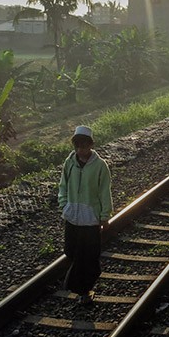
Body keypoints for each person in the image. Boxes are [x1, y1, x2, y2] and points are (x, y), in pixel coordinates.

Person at [58, 125, 113, 304]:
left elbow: (105, 191)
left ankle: (85, 290)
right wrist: (64, 205)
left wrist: (105, 215)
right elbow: (63, 185)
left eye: (85, 145)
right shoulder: (69, 163)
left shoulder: (100, 166)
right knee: (71, 251)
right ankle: (80, 285)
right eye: (78, 146)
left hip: (90, 219)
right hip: (72, 217)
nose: (81, 150)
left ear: (91, 145)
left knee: (88, 255)